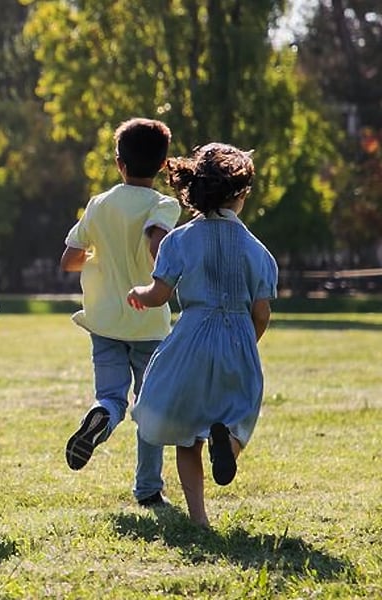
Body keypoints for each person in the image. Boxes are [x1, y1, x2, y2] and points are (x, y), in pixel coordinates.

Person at [128, 143, 275, 527]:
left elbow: (159, 295)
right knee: (240, 415)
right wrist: (246, 342)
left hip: (191, 337)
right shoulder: (258, 252)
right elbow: (262, 312)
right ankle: (227, 445)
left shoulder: (178, 240)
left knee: (185, 432)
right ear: (240, 194)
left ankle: (199, 519)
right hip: (238, 338)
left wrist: (138, 294)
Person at [60, 118, 181, 508]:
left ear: (118, 163)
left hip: (104, 320)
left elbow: (69, 259)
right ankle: (148, 489)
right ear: (163, 165)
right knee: (150, 406)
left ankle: (100, 416)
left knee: (110, 396)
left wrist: (102, 257)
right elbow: (155, 239)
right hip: (147, 321)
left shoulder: (99, 204)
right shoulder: (165, 203)